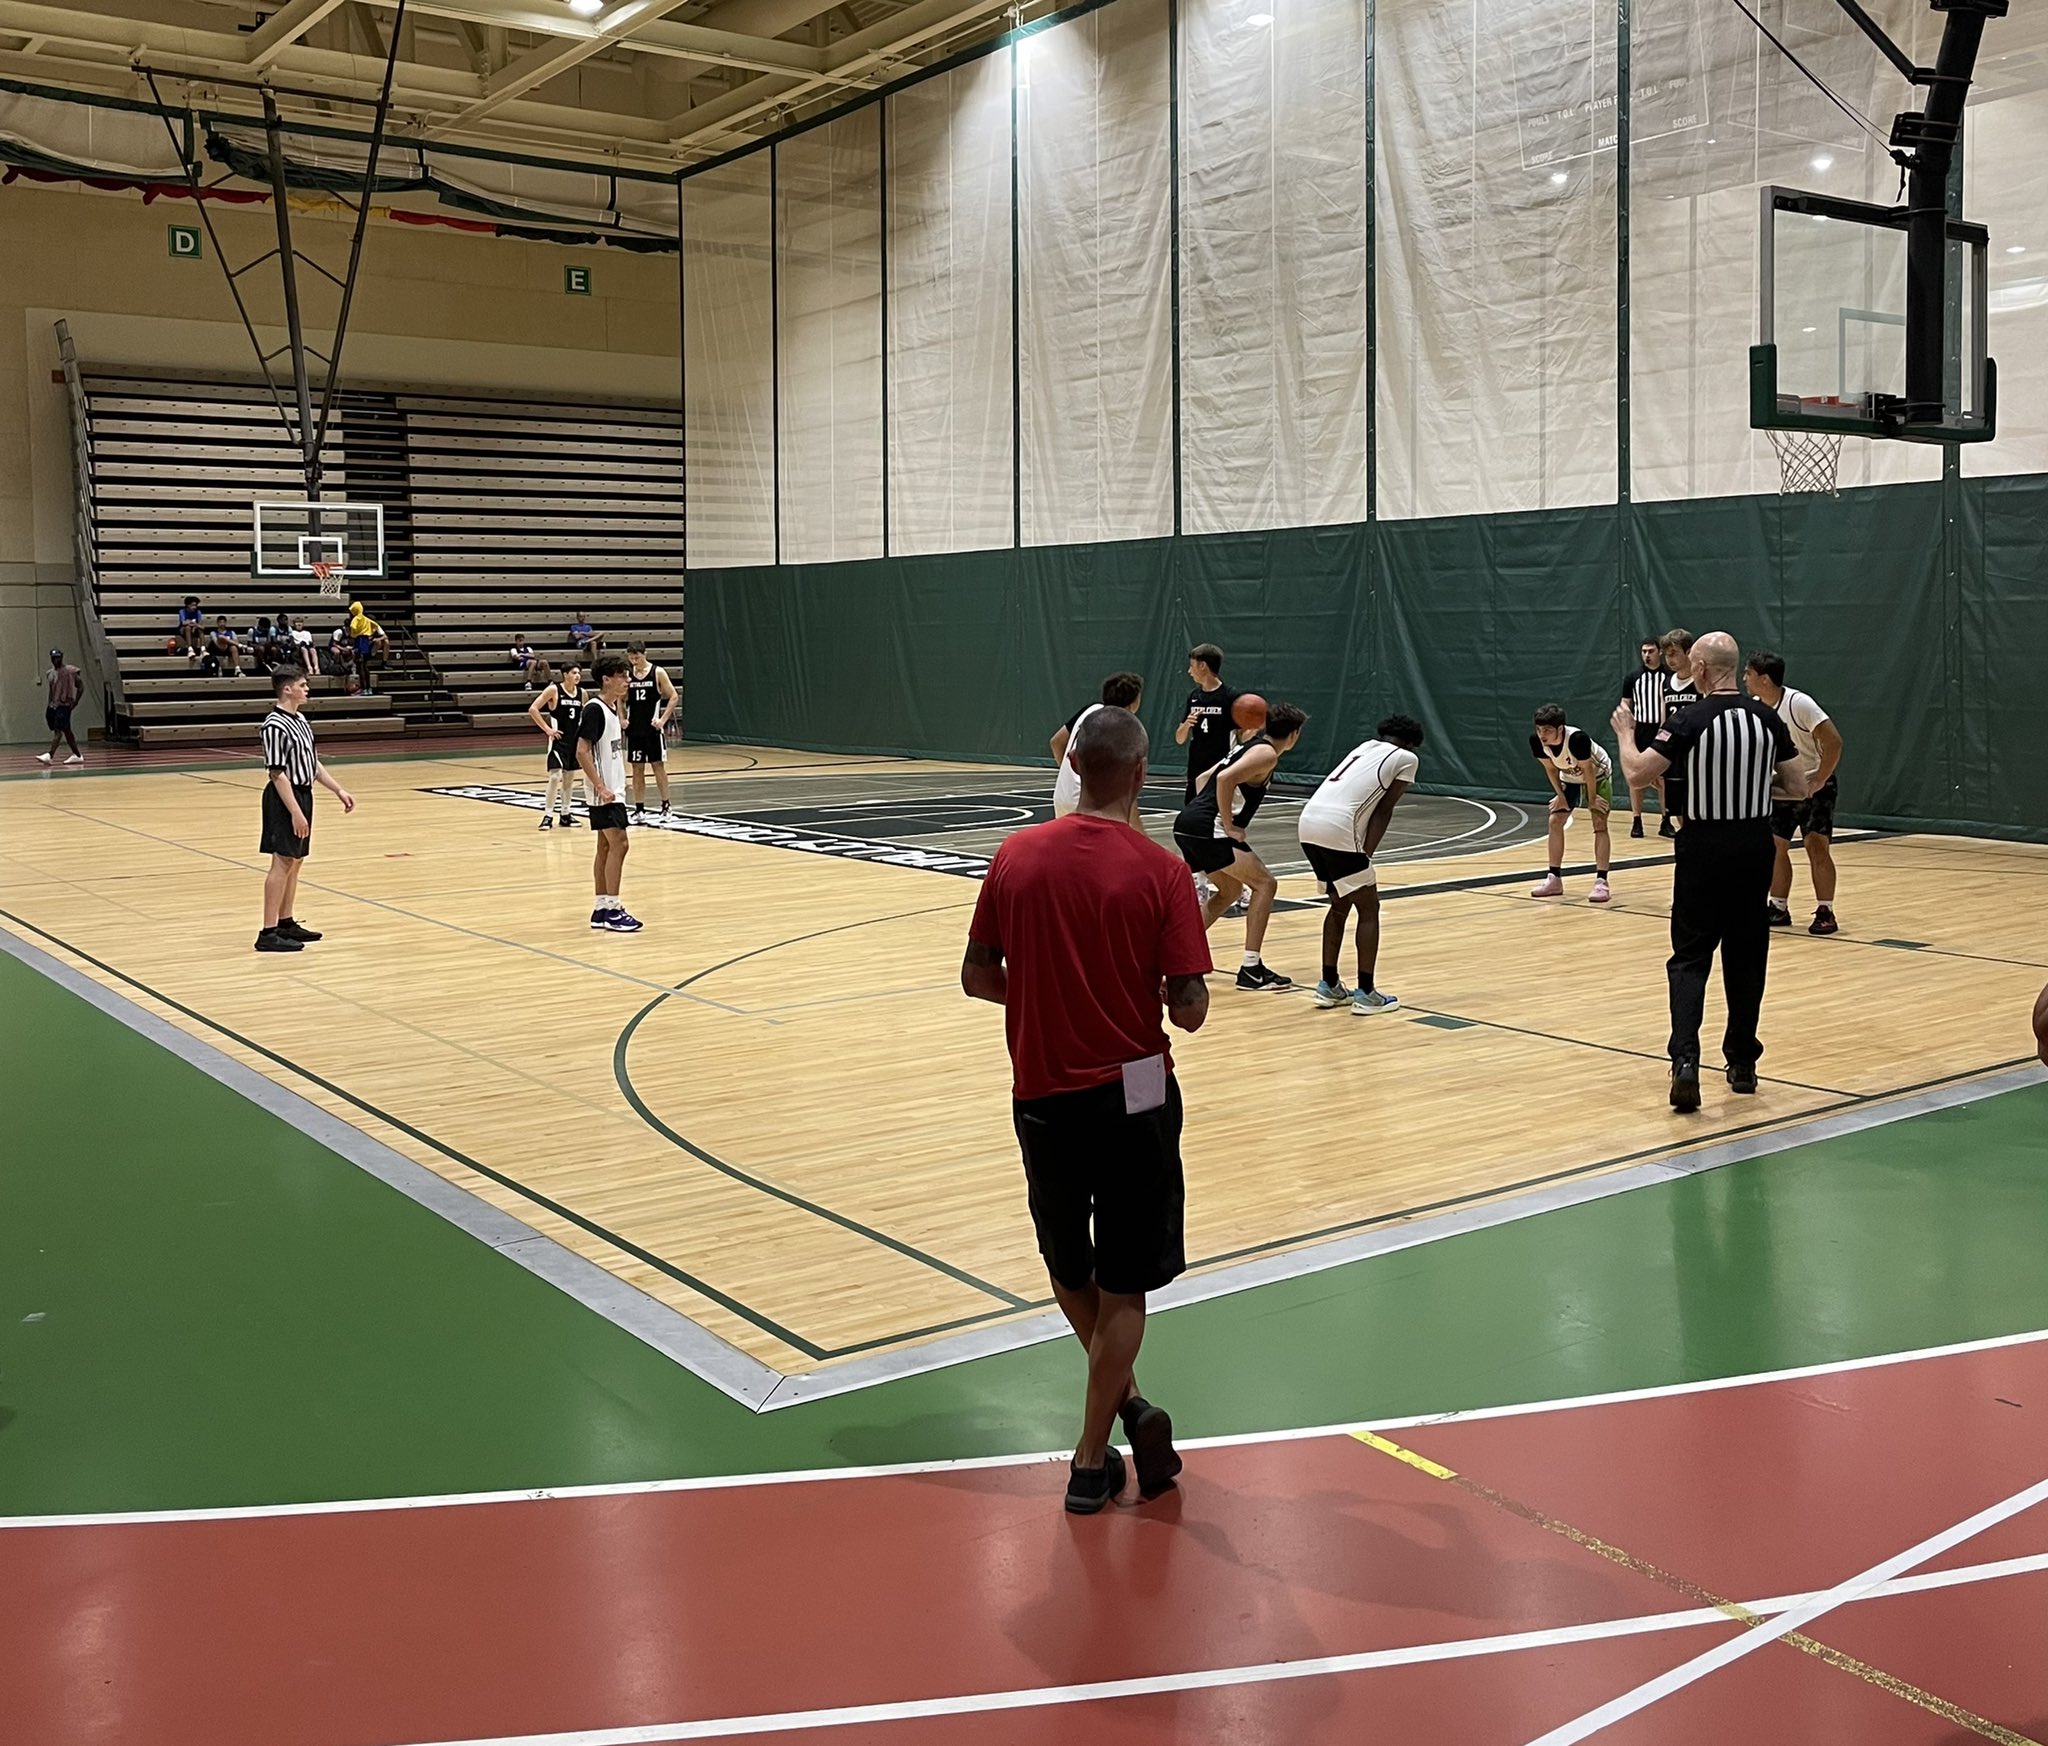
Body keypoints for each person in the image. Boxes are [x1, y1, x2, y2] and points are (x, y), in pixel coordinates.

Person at [960, 707, 1210, 1515]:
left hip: (1041, 1088)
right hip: (1136, 1090)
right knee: (1125, 1281)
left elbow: (977, 976)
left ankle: (1130, 1409)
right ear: (1141, 774)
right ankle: (1093, 1450)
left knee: (1071, 1266)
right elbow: (1190, 1010)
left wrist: (1044, 991)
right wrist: (1196, 934)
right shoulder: (1162, 872)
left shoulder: (1015, 855)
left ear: (1072, 762)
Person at [1614, 631, 1807, 1112]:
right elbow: (1798, 786)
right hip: (1753, 843)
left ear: (1699, 668)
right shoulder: (1766, 719)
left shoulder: (1688, 719)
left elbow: (1638, 773)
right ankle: (1742, 1062)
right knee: (1747, 955)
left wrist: (1623, 734)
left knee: (1690, 956)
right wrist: (1755, 794)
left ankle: (1685, 1062)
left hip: (1702, 845)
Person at [1173, 701, 1308, 990]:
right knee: (1265, 885)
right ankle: (1251, 969)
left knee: (1229, 891)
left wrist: (1202, 812)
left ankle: (1176, 955)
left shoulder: (1250, 747)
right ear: (1294, 734)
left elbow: (1202, 778)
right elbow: (1224, 779)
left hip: (1188, 824)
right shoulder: (1266, 753)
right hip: (1206, 827)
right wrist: (1227, 823)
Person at [1296, 714, 1425, 1013]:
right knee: (1369, 907)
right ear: (1410, 742)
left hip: (1308, 823)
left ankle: (1329, 986)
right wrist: (1367, 853)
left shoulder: (1365, 746)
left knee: (1339, 905)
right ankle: (1366, 993)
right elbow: (1384, 809)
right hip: (1339, 828)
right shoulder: (1406, 758)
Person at [1744, 650, 1845, 936]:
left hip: (1815, 784)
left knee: (1816, 846)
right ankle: (1778, 906)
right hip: (1781, 786)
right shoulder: (1755, 708)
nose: (1744, 679)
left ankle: (1825, 910)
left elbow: (1834, 742)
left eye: (1748, 673)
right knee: (1775, 846)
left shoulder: (1800, 703)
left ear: (1764, 678)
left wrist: (1820, 780)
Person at [255, 668, 356, 953]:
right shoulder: (274, 725)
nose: (307, 689)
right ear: (287, 689)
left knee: (296, 860)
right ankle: (268, 931)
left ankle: (286, 922)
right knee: (282, 862)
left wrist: (338, 789)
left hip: (302, 794)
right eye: (302, 685)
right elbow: (277, 773)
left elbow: (312, 763)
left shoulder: (300, 720)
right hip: (284, 798)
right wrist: (296, 812)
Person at [577, 654, 640, 931]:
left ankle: (601, 908)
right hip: (604, 793)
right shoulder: (595, 709)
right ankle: (613, 910)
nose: (627, 680)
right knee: (620, 844)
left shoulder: (613, 709)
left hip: (612, 789)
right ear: (607, 679)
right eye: (622, 675)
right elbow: (581, 750)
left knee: (605, 846)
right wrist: (601, 786)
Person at [1528, 704, 1615, 904]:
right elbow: (1551, 769)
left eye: (1548, 730)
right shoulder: (1537, 742)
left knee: (1599, 824)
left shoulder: (1577, 740)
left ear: (1560, 729)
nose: (1542, 735)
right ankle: (1554, 879)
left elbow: (1589, 770)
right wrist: (1560, 795)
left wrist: (1592, 800)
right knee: (1555, 821)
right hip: (1569, 776)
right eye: (1539, 729)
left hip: (1598, 775)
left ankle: (1602, 881)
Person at [1051, 672, 1144, 821]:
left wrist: (1069, 772)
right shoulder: (1122, 726)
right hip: (1088, 802)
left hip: (1063, 794)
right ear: (1133, 703)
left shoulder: (1091, 709)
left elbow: (1056, 742)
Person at [1173, 644, 1239, 806]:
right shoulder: (1193, 696)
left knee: (1218, 812)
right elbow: (1180, 739)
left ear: (1203, 666)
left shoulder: (1230, 696)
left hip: (1221, 765)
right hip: (1196, 765)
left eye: (1192, 666)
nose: (1189, 671)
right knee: (1192, 809)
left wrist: (1252, 727)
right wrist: (1187, 725)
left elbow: (1242, 735)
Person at [527, 661, 586, 830]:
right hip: (558, 742)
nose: (577, 676)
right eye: (574, 672)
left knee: (569, 779)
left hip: (574, 742)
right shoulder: (554, 690)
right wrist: (547, 729)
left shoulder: (582, 693)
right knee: (555, 777)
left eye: (579, 673)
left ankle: (565, 814)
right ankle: (547, 815)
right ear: (565, 674)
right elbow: (533, 709)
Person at [625, 643, 680, 820]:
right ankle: (639, 808)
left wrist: (662, 720)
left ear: (645, 654)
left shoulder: (657, 672)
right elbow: (620, 698)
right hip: (634, 730)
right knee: (636, 769)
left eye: (637, 657)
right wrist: (621, 718)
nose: (634, 661)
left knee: (658, 767)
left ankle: (666, 805)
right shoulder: (628, 675)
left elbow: (673, 696)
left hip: (652, 730)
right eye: (631, 658)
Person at [1621, 638, 1669, 837]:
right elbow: (1625, 705)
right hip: (1641, 730)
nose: (1647, 655)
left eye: (1651, 651)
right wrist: (1628, 731)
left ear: (1659, 652)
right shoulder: (1633, 677)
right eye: (1644, 651)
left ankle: (1665, 821)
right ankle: (1637, 820)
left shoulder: (1669, 677)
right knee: (1636, 777)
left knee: (1663, 778)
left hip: (1663, 730)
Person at [1655, 628, 1699, 835]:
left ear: (1689, 651)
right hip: (1674, 755)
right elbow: (1663, 722)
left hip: (1697, 753)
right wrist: (1657, 756)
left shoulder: (1701, 682)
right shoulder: (1666, 683)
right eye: (1666, 655)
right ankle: (1688, 838)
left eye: (1673, 654)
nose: (1669, 660)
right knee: (1678, 805)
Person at [37, 649, 84, 765]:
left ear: (61, 657)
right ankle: (77, 755)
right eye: (53, 658)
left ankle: (50, 755)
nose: (55, 660)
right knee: (67, 731)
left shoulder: (70, 671)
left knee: (58, 731)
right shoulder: (51, 673)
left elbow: (80, 686)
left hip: (65, 705)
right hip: (54, 705)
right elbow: (51, 691)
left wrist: (76, 701)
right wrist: (49, 704)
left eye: (58, 657)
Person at [345, 600, 387, 695]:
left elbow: (353, 626)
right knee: (364, 665)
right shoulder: (366, 619)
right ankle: (368, 688)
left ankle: (365, 688)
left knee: (361, 665)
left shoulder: (357, 618)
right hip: (366, 641)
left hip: (359, 640)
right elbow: (375, 625)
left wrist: (353, 633)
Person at [176, 596, 206, 662]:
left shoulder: (198, 612)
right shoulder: (182, 611)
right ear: (187, 605)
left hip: (194, 629)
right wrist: (192, 622)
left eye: (195, 605)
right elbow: (183, 622)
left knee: (200, 630)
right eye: (193, 605)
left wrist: (195, 625)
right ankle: (190, 649)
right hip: (184, 630)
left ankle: (203, 649)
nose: (194, 607)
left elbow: (202, 626)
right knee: (187, 627)